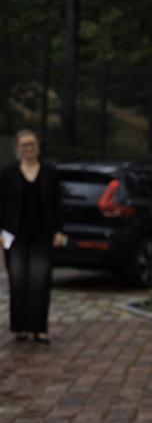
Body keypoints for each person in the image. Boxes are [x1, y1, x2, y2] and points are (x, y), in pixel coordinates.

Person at [0, 129, 67, 344]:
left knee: (40, 281)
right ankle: (20, 327)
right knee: (18, 281)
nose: (28, 149)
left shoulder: (50, 172)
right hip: (14, 235)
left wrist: (59, 231)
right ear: (18, 149)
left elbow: (58, 205)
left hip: (43, 234)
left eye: (32, 145)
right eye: (24, 145)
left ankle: (39, 328)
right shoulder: (7, 174)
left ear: (38, 146)